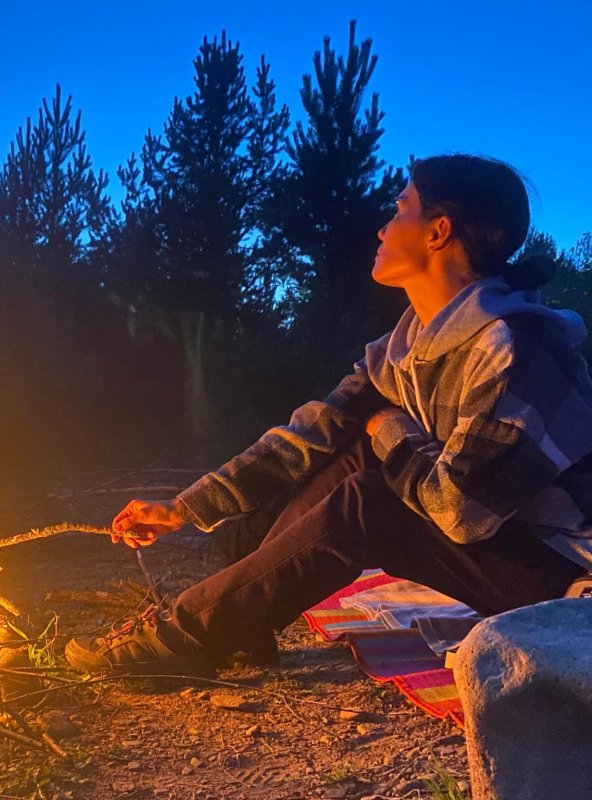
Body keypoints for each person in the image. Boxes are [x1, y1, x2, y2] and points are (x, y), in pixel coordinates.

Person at [65, 154, 592, 678]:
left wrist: (389, 428)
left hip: (565, 579)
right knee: (350, 452)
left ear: (439, 231)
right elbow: (306, 436)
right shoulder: (405, 349)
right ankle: (238, 624)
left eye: (400, 208)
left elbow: (460, 512)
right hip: (506, 553)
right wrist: (183, 507)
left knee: (370, 499)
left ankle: (187, 635)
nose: (383, 228)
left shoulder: (518, 347)